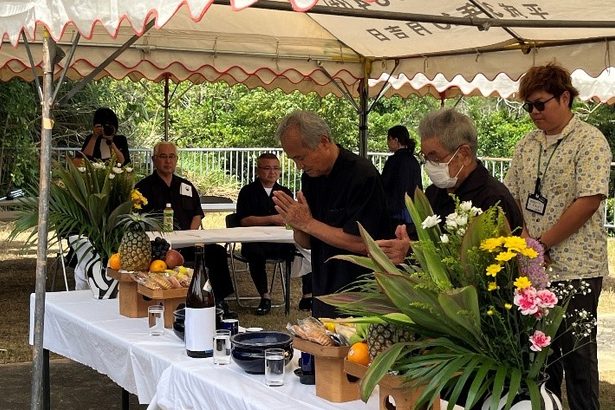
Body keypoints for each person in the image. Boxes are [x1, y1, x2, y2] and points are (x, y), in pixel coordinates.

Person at [504, 63, 610, 409]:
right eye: (528, 107)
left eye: (540, 104)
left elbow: (589, 200)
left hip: (576, 268)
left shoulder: (590, 140)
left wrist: (542, 242)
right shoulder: (526, 144)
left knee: (578, 358)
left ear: (565, 97)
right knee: (540, 358)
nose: (533, 113)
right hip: (533, 266)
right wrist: (525, 242)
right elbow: (514, 198)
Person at [272, 110, 393, 318]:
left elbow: (362, 242)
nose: (299, 166)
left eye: (301, 157)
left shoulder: (362, 175)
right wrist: (296, 223)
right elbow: (308, 241)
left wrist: (308, 223)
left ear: (324, 142)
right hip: (323, 287)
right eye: (293, 160)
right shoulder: (311, 177)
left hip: (359, 291)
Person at [377, 108, 523, 264]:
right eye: (425, 157)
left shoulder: (494, 200)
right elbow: (424, 240)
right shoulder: (434, 193)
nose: (429, 165)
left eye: (435, 157)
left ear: (464, 155)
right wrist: (406, 242)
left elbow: (492, 266)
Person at [135, 141, 235, 317]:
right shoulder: (142, 188)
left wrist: (188, 237)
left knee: (217, 252)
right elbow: (138, 220)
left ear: (176, 160)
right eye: (163, 157)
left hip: (188, 244)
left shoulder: (186, 186)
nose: (168, 161)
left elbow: (197, 213)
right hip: (159, 248)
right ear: (154, 160)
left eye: (171, 157)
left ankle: (218, 301)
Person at [235, 153, 300, 315]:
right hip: (255, 241)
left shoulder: (284, 191)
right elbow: (244, 221)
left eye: (276, 168)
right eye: (267, 168)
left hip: (279, 241)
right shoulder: (248, 191)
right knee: (255, 253)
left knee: (305, 248)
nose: (272, 172)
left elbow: (289, 218)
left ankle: (308, 295)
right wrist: (272, 218)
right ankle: (265, 296)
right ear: (258, 170)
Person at [381, 125, 422, 230]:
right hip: (413, 212)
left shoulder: (393, 161)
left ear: (396, 140)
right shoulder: (414, 161)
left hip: (395, 212)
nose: (388, 143)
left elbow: (384, 184)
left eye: (389, 139)